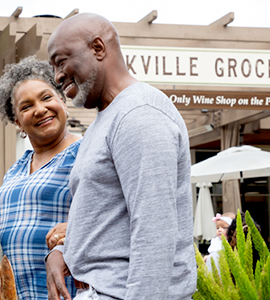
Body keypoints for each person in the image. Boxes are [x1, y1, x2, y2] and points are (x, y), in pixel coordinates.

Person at [45, 13, 197, 300]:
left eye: (61, 61)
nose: (57, 76)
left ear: (98, 48)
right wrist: (63, 250)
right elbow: (106, 218)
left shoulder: (139, 114)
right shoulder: (107, 119)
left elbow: (155, 232)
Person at [0, 56, 80, 299]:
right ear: (18, 123)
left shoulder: (86, 153)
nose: (39, 109)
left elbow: (116, 217)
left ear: (63, 102)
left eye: (47, 97)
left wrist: (78, 229)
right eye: (26, 107)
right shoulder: (16, 169)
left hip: (62, 292)